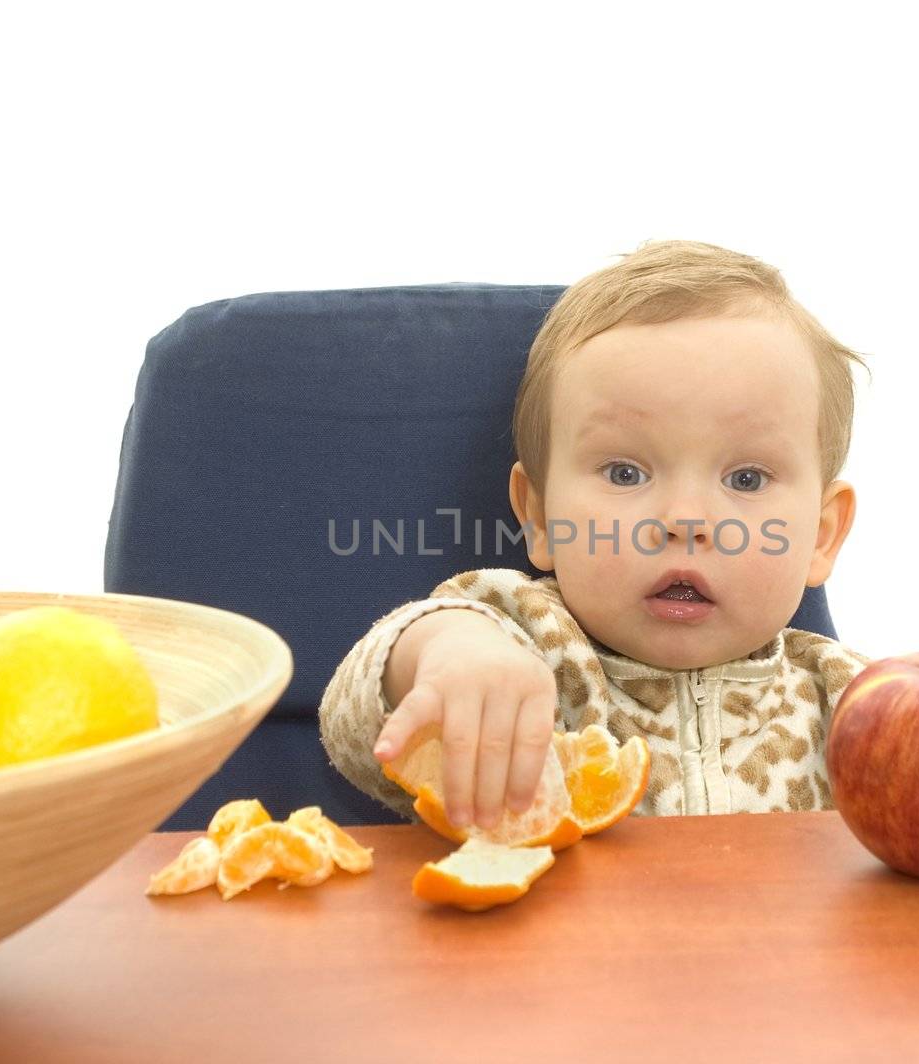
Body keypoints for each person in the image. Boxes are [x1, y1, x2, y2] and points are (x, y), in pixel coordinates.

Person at [318, 239, 873, 830]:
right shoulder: (526, 642)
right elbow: (354, 734)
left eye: (746, 477)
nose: (685, 520)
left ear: (820, 535)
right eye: (624, 473)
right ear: (539, 516)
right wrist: (446, 654)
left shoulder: (851, 700)